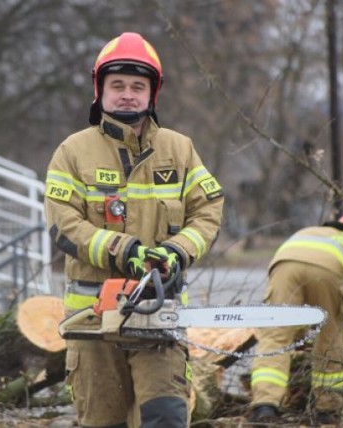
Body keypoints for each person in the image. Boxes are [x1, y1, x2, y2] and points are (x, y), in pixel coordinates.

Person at [44, 32, 224, 427]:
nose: (128, 94)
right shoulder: (72, 152)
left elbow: (208, 209)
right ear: (100, 90)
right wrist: (127, 251)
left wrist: (176, 252)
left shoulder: (180, 150)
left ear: (152, 93)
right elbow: (64, 224)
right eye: (118, 85)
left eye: (137, 87)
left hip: (159, 315)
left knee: (165, 417)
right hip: (93, 322)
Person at [248, 212, 343, 425]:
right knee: (329, 337)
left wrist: (298, 335)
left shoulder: (309, 232)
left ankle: (265, 405)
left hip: (284, 264)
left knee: (276, 336)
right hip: (327, 271)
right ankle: (327, 408)